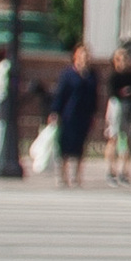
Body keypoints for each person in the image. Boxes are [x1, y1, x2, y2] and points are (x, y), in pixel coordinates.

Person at [50, 42, 98, 189]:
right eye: (82, 54)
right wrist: (54, 112)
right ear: (75, 56)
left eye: (86, 54)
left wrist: (94, 113)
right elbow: (60, 94)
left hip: (84, 115)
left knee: (80, 147)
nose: (85, 57)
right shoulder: (68, 74)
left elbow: (94, 96)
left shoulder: (92, 75)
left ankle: (76, 177)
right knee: (65, 146)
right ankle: (62, 176)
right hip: (68, 115)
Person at [103, 48, 131, 183]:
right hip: (116, 106)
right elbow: (111, 93)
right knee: (113, 138)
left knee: (129, 139)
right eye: (119, 60)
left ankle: (125, 171)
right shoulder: (112, 76)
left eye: (125, 59)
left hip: (128, 107)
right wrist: (122, 92)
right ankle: (111, 170)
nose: (123, 62)